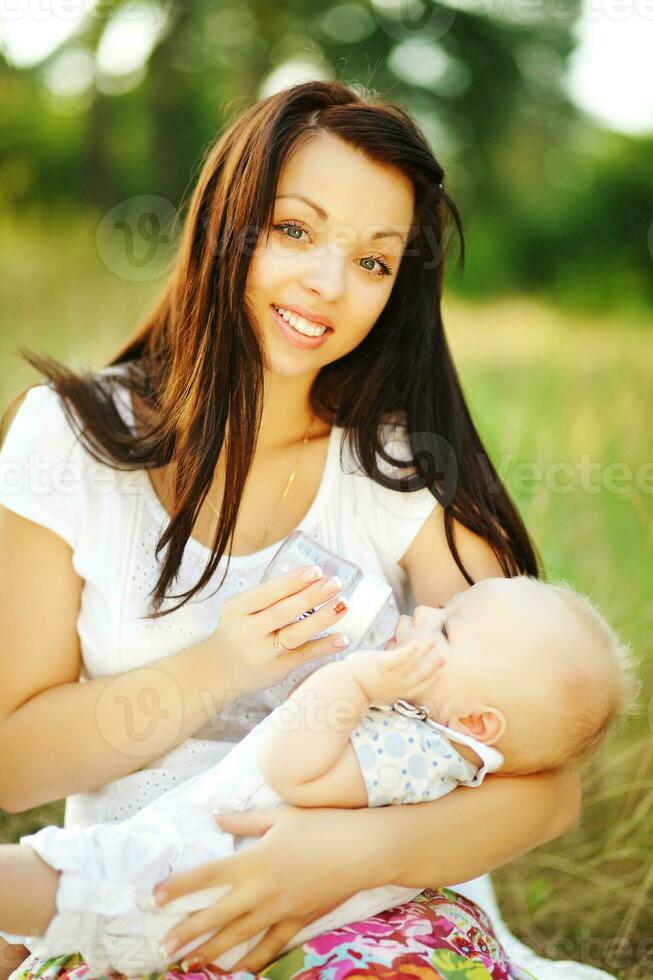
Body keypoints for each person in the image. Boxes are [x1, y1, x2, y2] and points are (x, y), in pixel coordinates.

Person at [0, 79, 610, 979]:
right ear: (226, 223)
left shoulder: (397, 465)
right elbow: (13, 767)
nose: (328, 284)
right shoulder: (68, 439)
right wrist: (219, 669)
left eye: (374, 261)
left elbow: (546, 775)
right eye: (295, 230)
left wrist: (343, 858)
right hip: (144, 897)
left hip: (374, 912)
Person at [0, 576, 638, 979]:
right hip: (224, 864)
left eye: (445, 626)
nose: (426, 612)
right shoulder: (427, 734)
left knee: (93, 878)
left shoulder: (419, 751)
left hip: (225, 872)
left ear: (477, 719)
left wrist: (352, 682)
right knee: (84, 890)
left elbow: (296, 773)